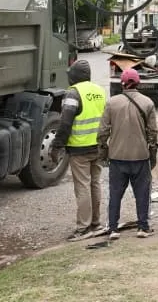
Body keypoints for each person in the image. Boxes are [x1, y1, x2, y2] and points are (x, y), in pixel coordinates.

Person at [51, 58, 107, 241]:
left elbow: (65, 122)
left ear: (74, 76)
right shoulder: (99, 91)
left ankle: (83, 228)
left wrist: (56, 145)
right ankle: (96, 223)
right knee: (95, 184)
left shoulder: (73, 93)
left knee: (82, 186)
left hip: (79, 147)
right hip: (98, 146)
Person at [99, 68, 158, 239]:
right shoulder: (147, 103)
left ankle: (113, 228)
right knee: (142, 193)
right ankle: (143, 227)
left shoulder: (112, 103)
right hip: (140, 155)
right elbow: (153, 132)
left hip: (117, 156)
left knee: (115, 194)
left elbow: (103, 131)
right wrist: (152, 155)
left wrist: (103, 152)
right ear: (138, 82)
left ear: (122, 84)